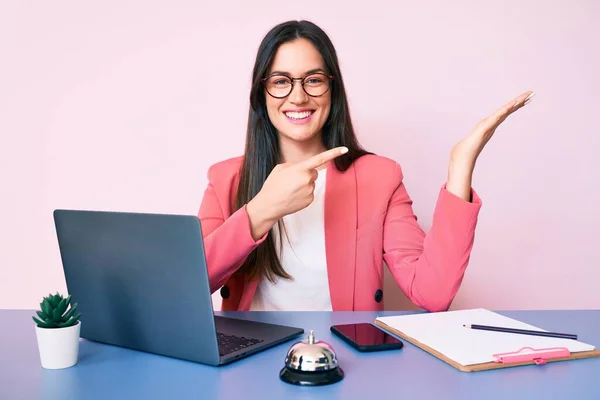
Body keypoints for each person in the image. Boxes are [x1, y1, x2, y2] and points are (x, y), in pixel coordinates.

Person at [197, 20, 533, 312]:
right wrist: (260, 212)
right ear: (262, 94)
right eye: (281, 81)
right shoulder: (225, 178)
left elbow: (432, 293)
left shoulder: (380, 177)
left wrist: (461, 165)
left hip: (345, 359)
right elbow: (192, 283)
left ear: (333, 89)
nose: (298, 97)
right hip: (251, 360)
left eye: (313, 80)